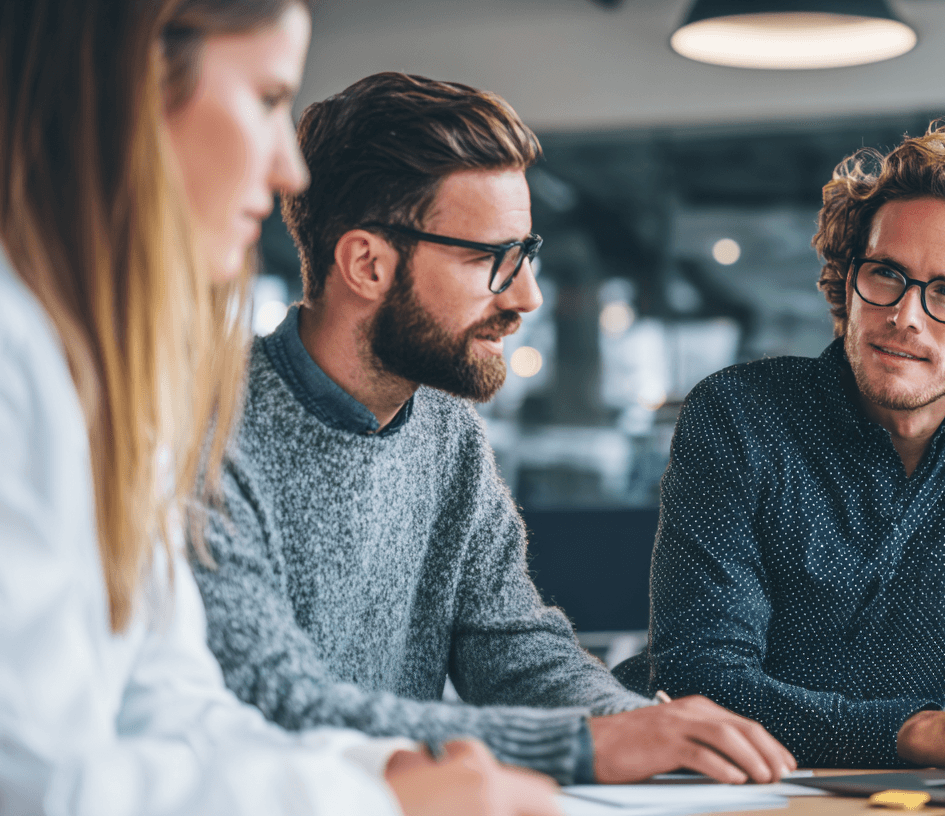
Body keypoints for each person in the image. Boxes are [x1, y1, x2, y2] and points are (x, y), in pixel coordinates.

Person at [0, 1, 558, 814]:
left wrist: (383, 774)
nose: (287, 171)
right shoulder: (61, 374)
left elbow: (172, 704)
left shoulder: (99, 375)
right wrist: (381, 801)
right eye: (265, 98)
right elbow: (31, 780)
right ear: (134, 86)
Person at [189, 71, 796, 786]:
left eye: (526, 254)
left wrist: (634, 726)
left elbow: (508, 645)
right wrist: (584, 747)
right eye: (491, 259)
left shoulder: (447, 429)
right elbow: (271, 701)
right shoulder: (200, 430)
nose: (528, 295)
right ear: (367, 263)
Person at [617, 123, 945, 768]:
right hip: (700, 779)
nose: (905, 315)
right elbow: (702, 675)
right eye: (886, 276)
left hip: (893, 788)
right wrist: (923, 735)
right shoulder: (739, 414)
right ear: (848, 282)